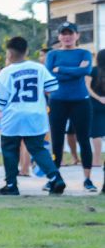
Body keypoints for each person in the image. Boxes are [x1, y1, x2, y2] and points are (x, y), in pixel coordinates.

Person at [0, 36, 66, 195]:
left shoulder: (5, 72)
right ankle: (55, 177)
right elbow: (52, 87)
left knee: (10, 149)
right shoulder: (38, 68)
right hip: (36, 114)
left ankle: (11, 185)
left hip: (13, 115)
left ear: (9, 53)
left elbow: (2, 101)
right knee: (38, 148)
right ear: (26, 51)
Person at [46, 23, 95, 191]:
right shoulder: (52, 54)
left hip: (80, 100)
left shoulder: (84, 53)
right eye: (64, 34)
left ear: (77, 35)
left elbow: (85, 71)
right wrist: (74, 71)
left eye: (70, 33)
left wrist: (60, 69)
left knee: (84, 139)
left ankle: (87, 179)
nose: (67, 37)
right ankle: (55, 177)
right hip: (57, 101)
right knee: (57, 140)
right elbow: (50, 75)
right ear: (59, 36)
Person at [87, 50, 105, 187]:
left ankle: (97, 160)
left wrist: (99, 98)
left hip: (94, 104)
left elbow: (87, 87)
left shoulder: (92, 70)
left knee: (96, 133)